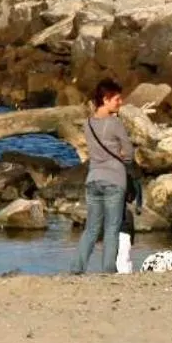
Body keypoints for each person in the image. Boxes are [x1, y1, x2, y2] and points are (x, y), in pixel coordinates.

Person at [72, 79, 134, 275]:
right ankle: (108, 270)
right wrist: (124, 159)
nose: (120, 102)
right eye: (117, 99)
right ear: (106, 99)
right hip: (114, 180)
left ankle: (76, 268)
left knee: (91, 229)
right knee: (111, 229)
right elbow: (130, 153)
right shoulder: (115, 123)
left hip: (93, 179)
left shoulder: (88, 124)